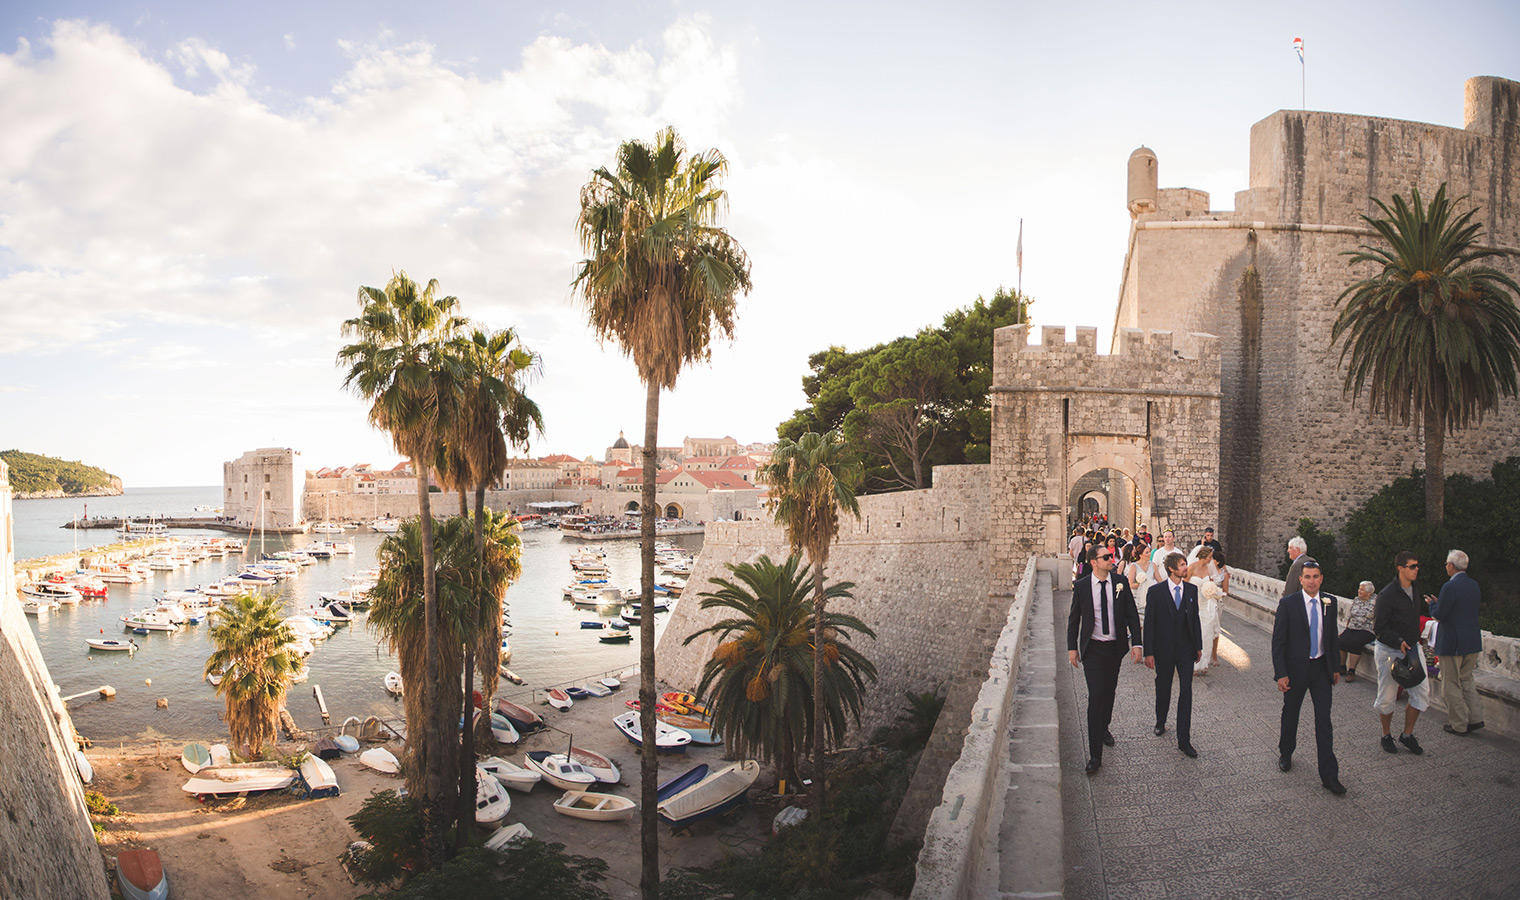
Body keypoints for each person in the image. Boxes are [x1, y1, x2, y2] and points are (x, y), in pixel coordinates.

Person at [1067, 544, 1143, 774]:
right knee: (1095, 697)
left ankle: (1104, 727)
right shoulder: (1081, 586)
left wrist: (1137, 644)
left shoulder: (1119, 582)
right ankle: (1095, 755)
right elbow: (1074, 619)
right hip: (1093, 650)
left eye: (1111, 557)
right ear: (1094, 562)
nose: (1112, 559)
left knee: (1109, 692)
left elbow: (1131, 612)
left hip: (1115, 648)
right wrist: (1072, 648)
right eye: (1106, 557)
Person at [1271, 558, 1345, 794]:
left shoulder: (1329, 602)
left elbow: (1332, 637)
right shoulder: (1288, 604)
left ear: (1321, 579)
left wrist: (1335, 667)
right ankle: (1286, 751)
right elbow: (1278, 642)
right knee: (1291, 713)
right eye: (1307, 577)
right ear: (1300, 580)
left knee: (1324, 720)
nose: (1312, 581)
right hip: (1296, 670)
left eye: (1316, 577)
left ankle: (1329, 775)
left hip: (1321, 669)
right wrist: (1281, 673)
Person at [1143, 552, 1202, 758]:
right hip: (1163, 650)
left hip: (1186, 650)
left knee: (1186, 690)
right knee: (1163, 686)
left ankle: (1184, 740)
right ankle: (1160, 721)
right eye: (1182, 564)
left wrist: (1198, 647)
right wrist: (1148, 651)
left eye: (1185, 563)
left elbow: (1195, 620)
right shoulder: (1156, 592)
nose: (1186, 567)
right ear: (1171, 569)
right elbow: (1149, 624)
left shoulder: (1192, 590)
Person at [1373, 551, 1431, 755]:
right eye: (1412, 566)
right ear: (1400, 569)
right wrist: (1398, 641)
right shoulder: (1386, 595)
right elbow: (1379, 628)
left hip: (1413, 649)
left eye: (1417, 566)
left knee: (1422, 694)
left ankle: (1407, 735)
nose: (1417, 569)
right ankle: (1386, 735)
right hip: (1390, 651)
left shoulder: (1414, 588)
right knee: (1387, 697)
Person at [1430, 550, 1484, 735]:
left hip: (1453, 643)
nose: (1446, 566)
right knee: (1467, 680)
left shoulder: (1450, 586)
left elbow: (1440, 614)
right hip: (1472, 641)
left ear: (1451, 565)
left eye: (1446, 563)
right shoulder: (1473, 584)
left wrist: (1432, 605)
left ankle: (1458, 724)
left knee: (1450, 684)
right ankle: (1476, 718)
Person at [1187, 547, 1226, 673]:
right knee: (1193, 632)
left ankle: (1203, 663)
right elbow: (1185, 584)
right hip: (1193, 601)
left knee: (1206, 631)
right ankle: (1192, 663)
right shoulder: (1192, 567)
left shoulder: (1209, 568)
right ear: (1203, 556)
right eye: (1209, 557)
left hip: (1205, 602)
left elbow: (1213, 582)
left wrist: (1213, 590)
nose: (1211, 560)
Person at [1338, 581, 1377, 683]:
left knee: (1355, 643)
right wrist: (1346, 629)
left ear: (1369, 593)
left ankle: (1351, 671)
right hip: (1353, 627)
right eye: (1359, 589)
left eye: (1362, 589)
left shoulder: (1376, 601)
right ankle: (1342, 666)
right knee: (1341, 640)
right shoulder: (1356, 600)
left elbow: (1377, 618)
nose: (1359, 591)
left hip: (1367, 630)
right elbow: (1350, 616)